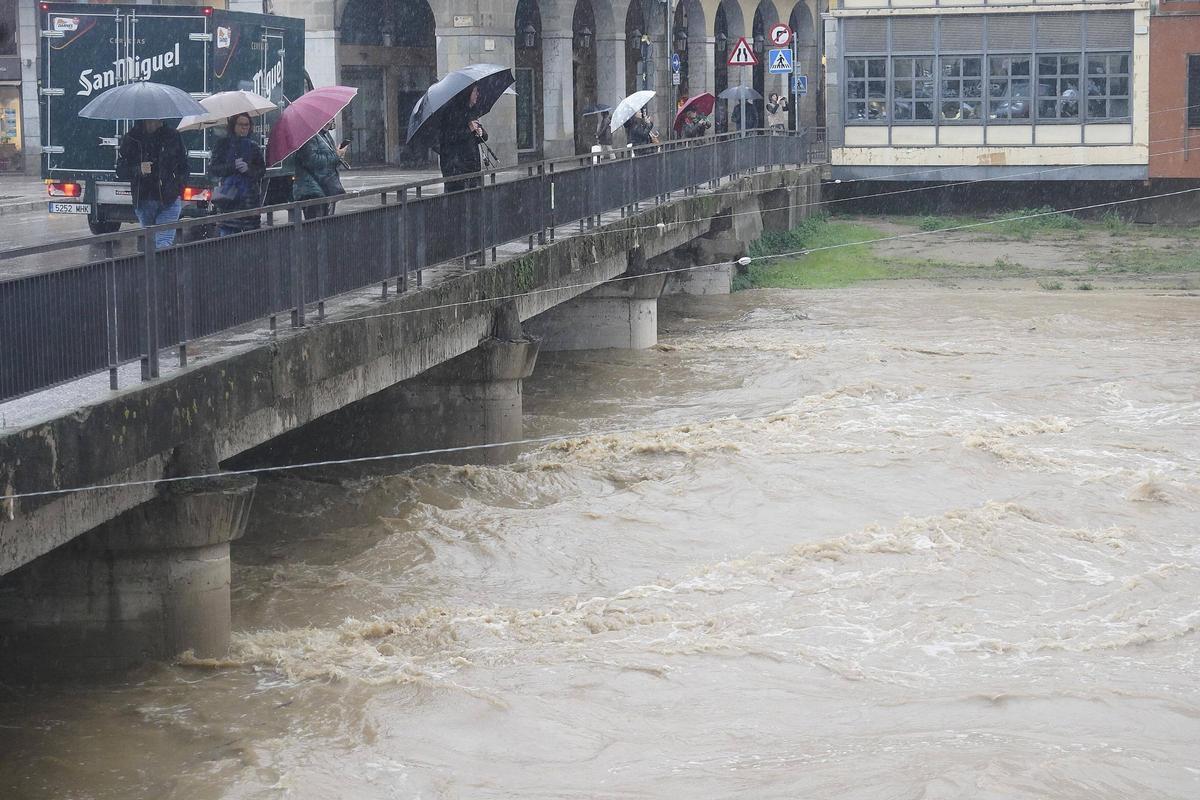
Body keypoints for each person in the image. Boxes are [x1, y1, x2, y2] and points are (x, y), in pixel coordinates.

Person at [115, 118, 190, 248]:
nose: (155, 123)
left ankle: (161, 266)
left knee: (163, 243)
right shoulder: (132, 138)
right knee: (151, 243)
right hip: (144, 199)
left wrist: (178, 186)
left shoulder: (172, 136)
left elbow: (184, 165)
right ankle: (154, 266)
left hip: (169, 199)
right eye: (151, 120)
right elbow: (121, 170)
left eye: (158, 120)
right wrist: (139, 169)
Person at [208, 113, 265, 236]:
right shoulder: (223, 145)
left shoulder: (253, 146)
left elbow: (261, 170)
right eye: (241, 124)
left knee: (251, 241)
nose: (244, 128)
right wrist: (233, 166)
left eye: (247, 125)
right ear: (233, 126)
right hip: (229, 201)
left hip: (250, 204)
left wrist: (248, 169)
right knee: (228, 239)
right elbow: (214, 168)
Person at [437, 85, 488, 193]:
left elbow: (481, 137)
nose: (477, 94)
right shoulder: (452, 113)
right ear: (468, 93)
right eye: (475, 91)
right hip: (456, 168)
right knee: (458, 200)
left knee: (474, 198)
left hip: (472, 166)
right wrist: (469, 129)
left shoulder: (472, 111)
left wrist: (481, 133)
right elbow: (450, 137)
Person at [293, 120, 345, 220]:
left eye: (331, 119)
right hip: (312, 190)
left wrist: (338, 155)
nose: (329, 122)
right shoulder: (308, 136)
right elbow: (312, 161)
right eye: (326, 119)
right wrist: (336, 156)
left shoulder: (324, 135)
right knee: (316, 227)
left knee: (323, 226)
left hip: (324, 187)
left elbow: (330, 162)